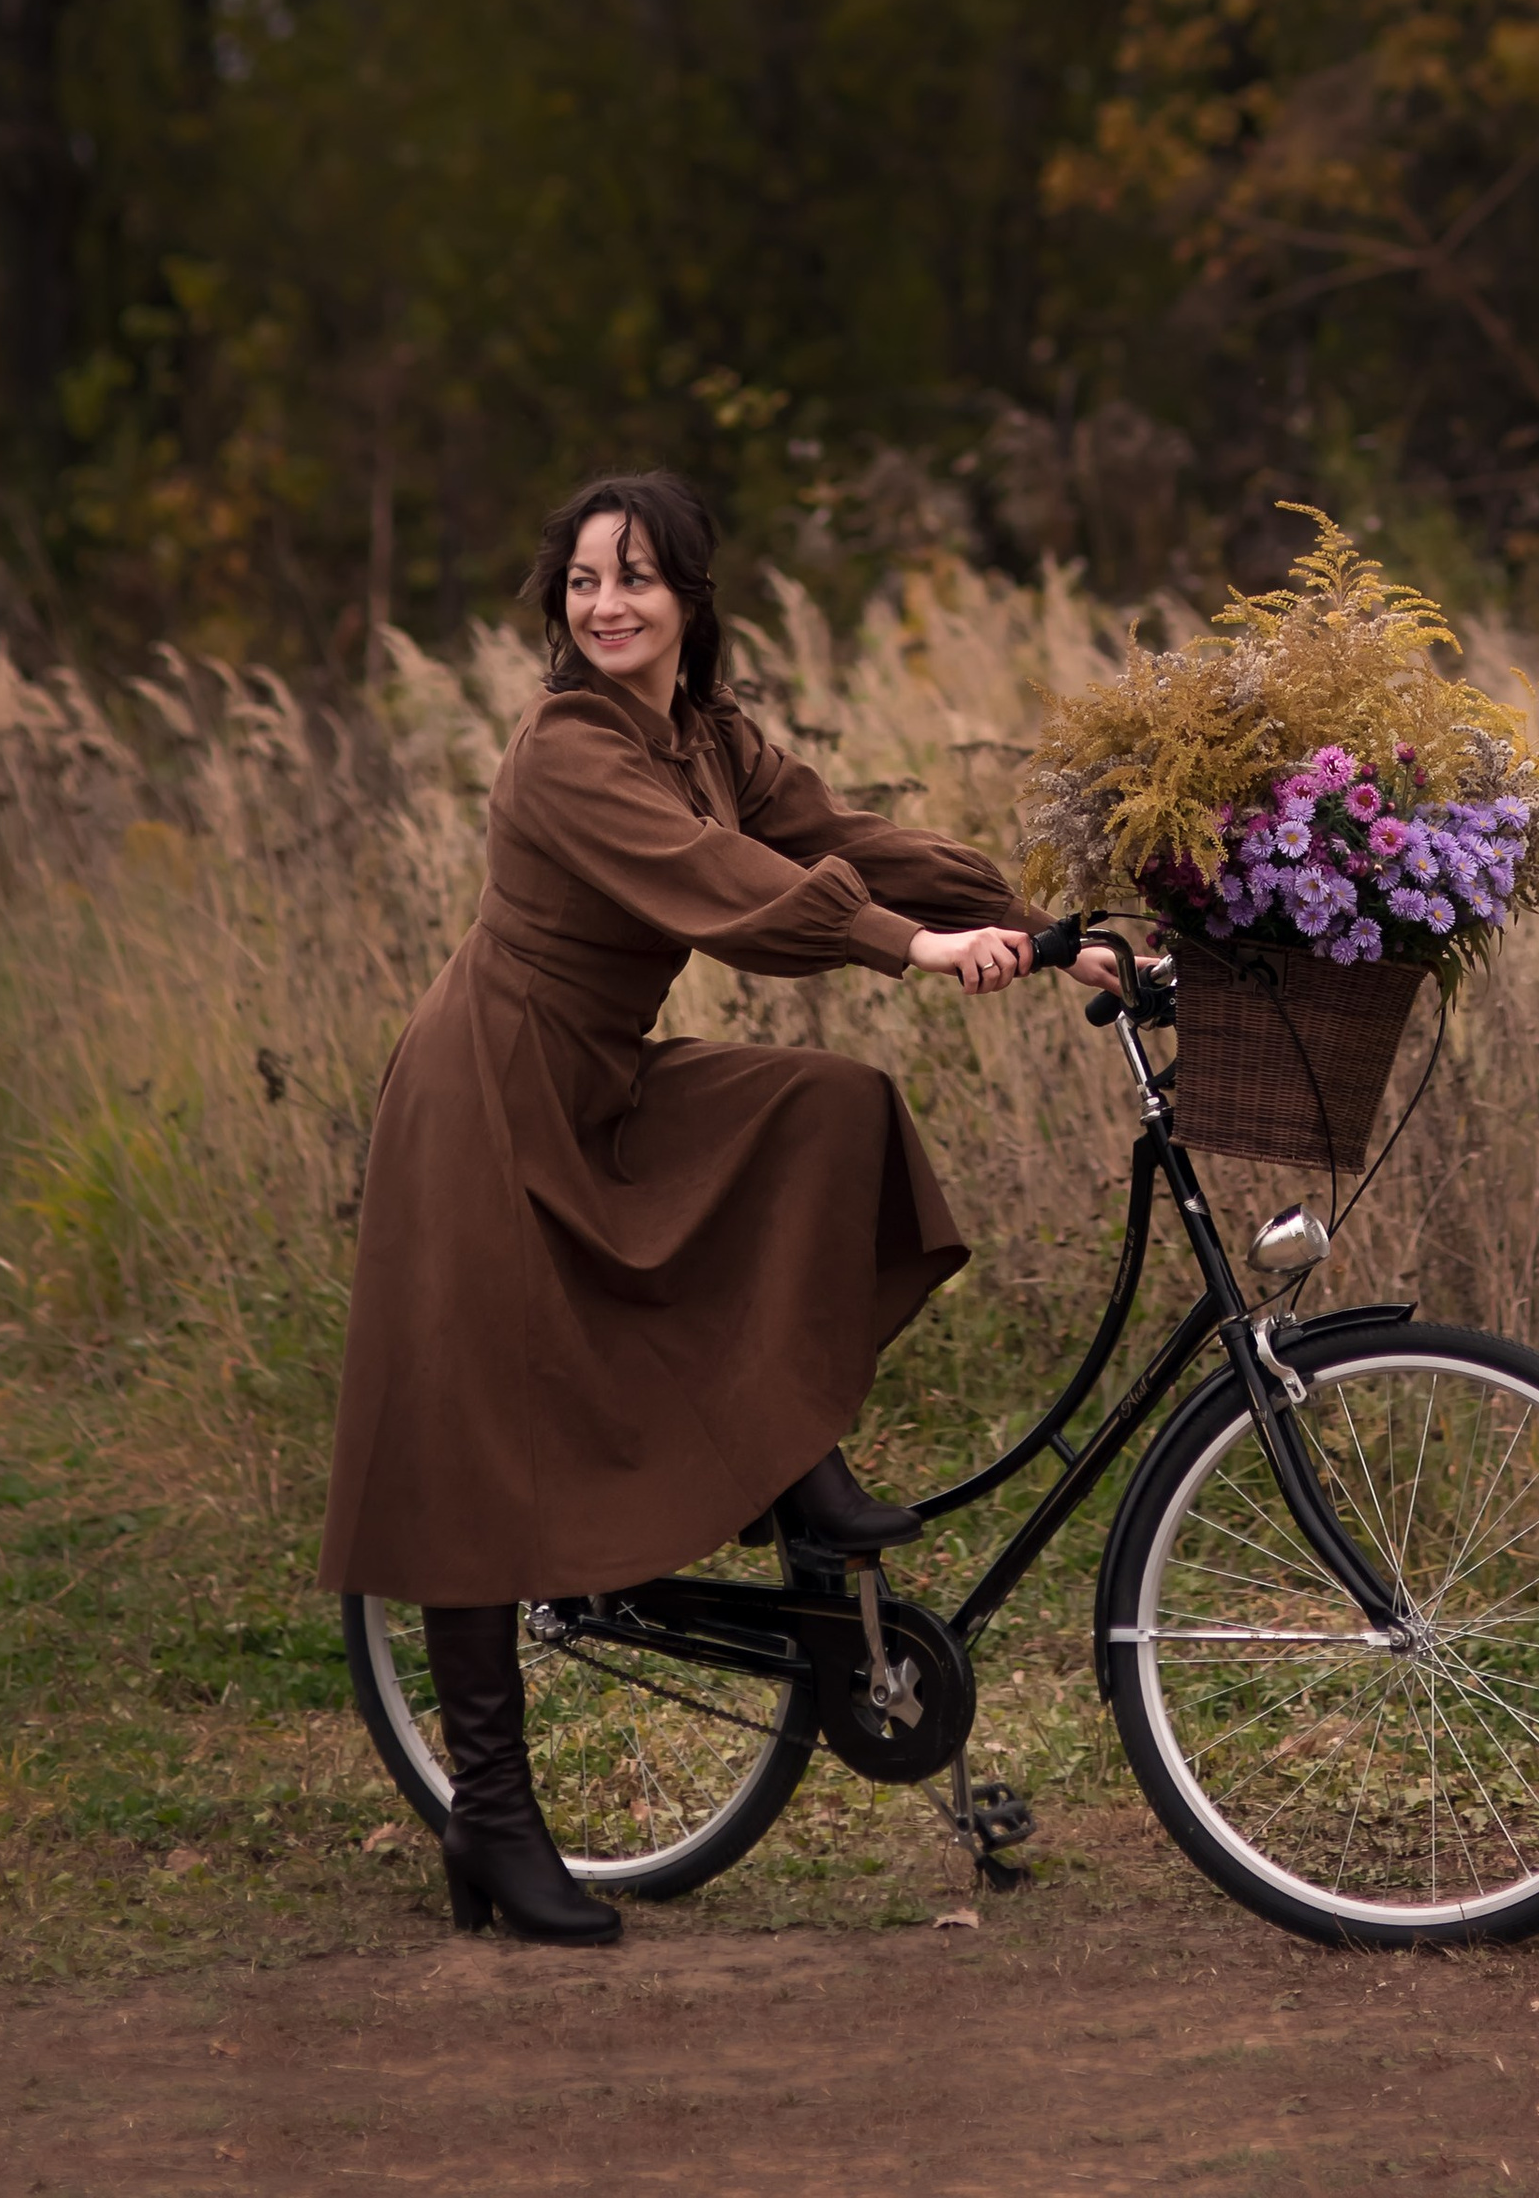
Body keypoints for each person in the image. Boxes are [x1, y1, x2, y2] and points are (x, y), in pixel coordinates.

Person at [317, 467, 1045, 1948]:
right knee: (480, 1454)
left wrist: (1033, 914)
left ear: (690, 603)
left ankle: (787, 1453)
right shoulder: (568, 748)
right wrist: (912, 950)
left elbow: (836, 833)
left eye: (636, 578)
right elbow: (733, 888)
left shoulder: (706, 736)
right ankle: (497, 1825)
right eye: (584, 580)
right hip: (489, 1090)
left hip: (602, 1075)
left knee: (828, 1111)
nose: (607, 603)